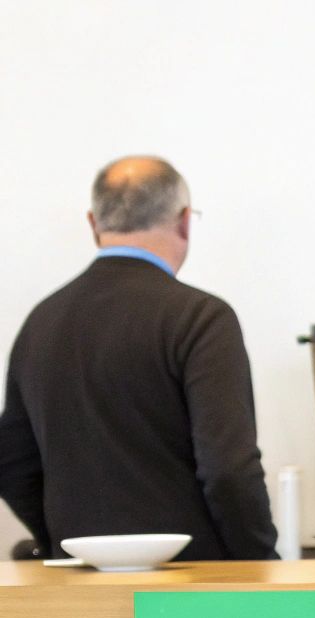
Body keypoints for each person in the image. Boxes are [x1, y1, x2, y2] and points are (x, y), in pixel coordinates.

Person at [0, 156, 276, 560]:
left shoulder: (41, 323)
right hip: (191, 581)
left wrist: (67, 544)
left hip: (80, 584)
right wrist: (259, 562)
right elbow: (228, 470)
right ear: (184, 221)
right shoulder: (200, 318)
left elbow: (12, 461)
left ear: (93, 224)